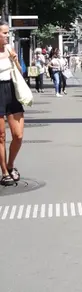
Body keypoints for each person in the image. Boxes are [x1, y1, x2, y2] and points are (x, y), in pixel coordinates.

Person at [0, 21, 25, 186]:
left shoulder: (10, 49)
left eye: (7, 32)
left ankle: (10, 165)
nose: (7, 36)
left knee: (18, 135)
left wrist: (15, 60)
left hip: (12, 90)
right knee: (1, 136)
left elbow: (20, 71)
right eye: (4, 33)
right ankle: (4, 172)